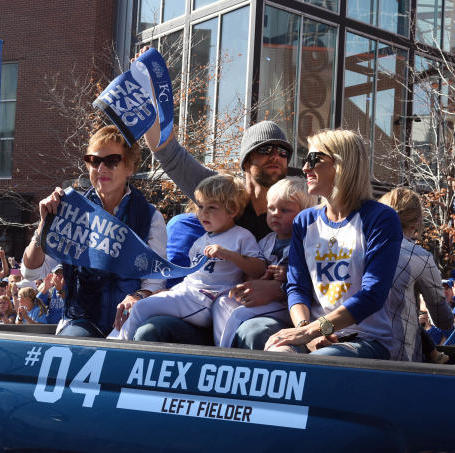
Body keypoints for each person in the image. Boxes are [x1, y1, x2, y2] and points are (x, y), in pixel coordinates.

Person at [130, 46, 292, 345]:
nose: (276, 156)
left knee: (254, 335)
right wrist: (149, 89)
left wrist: (279, 288)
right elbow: (166, 151)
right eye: (266, 149)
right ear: (245, 160)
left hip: (250, 315)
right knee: (150, 329)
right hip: (197, 307)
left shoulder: (295, 206)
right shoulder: (218, 188)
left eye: (283, 152)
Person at [264, 129, 403, 359]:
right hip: (314, 334)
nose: (305, 168)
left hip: (365, 340)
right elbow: (297, 287)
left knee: (318, 365)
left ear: (341, 164)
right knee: (274, 353)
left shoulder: (380, 219)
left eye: (313, 159)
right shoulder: (305, 221)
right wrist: (306, 330)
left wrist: (312, 330)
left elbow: (372, 295)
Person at [22, 125, 167, 337]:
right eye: (94, 160)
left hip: (130, 324)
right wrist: (44, 225)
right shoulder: (70, 209)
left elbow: (155, 281)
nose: (101, 168)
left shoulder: (150, 217)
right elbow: (33, 272)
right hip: (81, 322)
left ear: (130, 167)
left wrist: (137, 297)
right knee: (76, 348)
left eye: (112, 161)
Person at [114, 174, 265, 340]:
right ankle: (117, 344)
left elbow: (259, 269)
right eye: (200, 207)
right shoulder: (201, 241)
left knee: (142, 307)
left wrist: (229, 255)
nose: (203, 213)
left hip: (209, 299)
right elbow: (192, 278)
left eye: (212, 207)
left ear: (233, 210)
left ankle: (117, 349)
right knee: (140, 305)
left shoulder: (242, 236)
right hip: (190, 294)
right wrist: (168, 291)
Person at [217, 177, 317, 347]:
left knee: (238, 315)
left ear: (306, 212)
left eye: (284, 210)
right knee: (222, 303)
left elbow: (310, 277)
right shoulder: (266, 241)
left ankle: (223, 354)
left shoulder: (310, 241)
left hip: (289, 306)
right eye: (271, 208)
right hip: (263, 300)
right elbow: (254, 269)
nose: (275, 214)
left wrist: (288, 275)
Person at [376, 188, 453, 362]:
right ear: (416, 222)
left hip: (356, 350)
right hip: (400, 357)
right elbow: (443, 321)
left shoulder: (359, 247)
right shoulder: (419, 257)